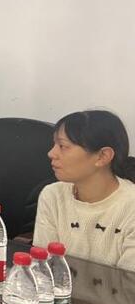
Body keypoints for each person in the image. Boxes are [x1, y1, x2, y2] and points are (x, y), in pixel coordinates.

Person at [34, 110, 135, 270]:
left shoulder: (130, 207)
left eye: (63, 146)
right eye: (54, 145)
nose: (51, 153)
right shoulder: (52, 195)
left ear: (102, 156)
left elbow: (128, 281)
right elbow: (43, 267)